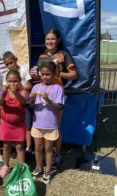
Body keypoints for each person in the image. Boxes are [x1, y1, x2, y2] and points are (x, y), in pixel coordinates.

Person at [30, 28, 77, 169]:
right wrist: (34, 75)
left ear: (58, 40)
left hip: (57, 93)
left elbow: (74, 75)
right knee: (43, 123)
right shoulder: (42, 57)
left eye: (52, 39)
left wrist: (58, 73)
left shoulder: (63, 55)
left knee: (55, 125)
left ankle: (56, 155)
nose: (50, 41)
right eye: (47, 39)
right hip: (43, 93)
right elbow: (40, 76)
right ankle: (45, 153)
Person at [29, 60, 65, 184]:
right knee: (38, 148)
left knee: (49, 149)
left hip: (50, 125)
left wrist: (48, 100)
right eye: (43, 74)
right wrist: (32, 99)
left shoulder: (57, 88)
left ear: (54, 73)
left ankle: (48, 170)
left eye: (48, 74)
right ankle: (39, 168)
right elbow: (30, 104)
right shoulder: (36, 87)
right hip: (37, 124)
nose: (45, 77)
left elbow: (58, 107)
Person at [0, 69, 29, 178]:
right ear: (6, 81)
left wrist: (15, 93)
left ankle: (21, 168)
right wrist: (3, 92)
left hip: (19, 125)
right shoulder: (4, 91)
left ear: (20, 81)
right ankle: (6, 166)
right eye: (10, 81)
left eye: (15, 81)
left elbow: (23, 101)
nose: (12, 84)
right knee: (6, 146)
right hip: (6, 124)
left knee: (20, 146)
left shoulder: (23, 91)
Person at [2, 51, 34, 155]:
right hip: (13, 104)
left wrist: (21, 87)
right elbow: (5, 90)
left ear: (16, 59)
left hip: (24, 102)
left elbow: (30, 85)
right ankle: (15, 148)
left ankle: (28, 148)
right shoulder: (6, 74)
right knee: (13, 125)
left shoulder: (23, 69)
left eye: (11, 63)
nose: (9, 66)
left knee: (27, 126)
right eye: (6, 64)